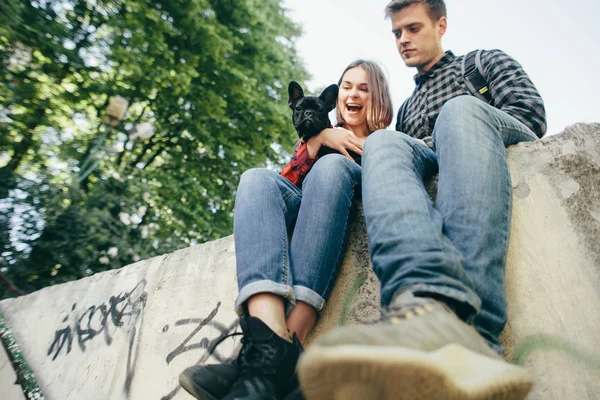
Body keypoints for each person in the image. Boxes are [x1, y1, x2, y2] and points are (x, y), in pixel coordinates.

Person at [297, 1, 546, 399]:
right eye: (397, 33)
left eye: (412, 28)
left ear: (441, 24)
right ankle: (419, 306)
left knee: (459, 111)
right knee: (382, 141)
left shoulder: (482, 63)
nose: (403, 40)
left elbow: (531, 116)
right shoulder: (409, 108)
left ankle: (473, 333)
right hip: (433, 163)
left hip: (481, 137)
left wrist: (453, 128)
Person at [178, 60, 393, 400]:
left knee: (332, 166)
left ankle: (264, 362)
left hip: (339, 205)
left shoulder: (387, 141)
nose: (352, 93)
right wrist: (317, 141)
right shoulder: (318, 135)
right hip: (303, 209)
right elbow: (284, 184)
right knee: (256, 178)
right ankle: (270, 343)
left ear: (378, 97)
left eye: (363, 88)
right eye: (347, 86)